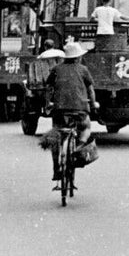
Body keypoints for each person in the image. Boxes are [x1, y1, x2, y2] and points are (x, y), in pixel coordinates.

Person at [41, 42, 98, 185]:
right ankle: (78, 149)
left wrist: (48, 103)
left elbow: (48, 87)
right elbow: (90, 90)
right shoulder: (83, 69)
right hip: (80, 110)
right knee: (86, 127)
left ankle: (56, 169)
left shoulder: (56, 69)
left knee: (56, 135)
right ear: (78, 57)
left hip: (59, 110)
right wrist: (93, 104)